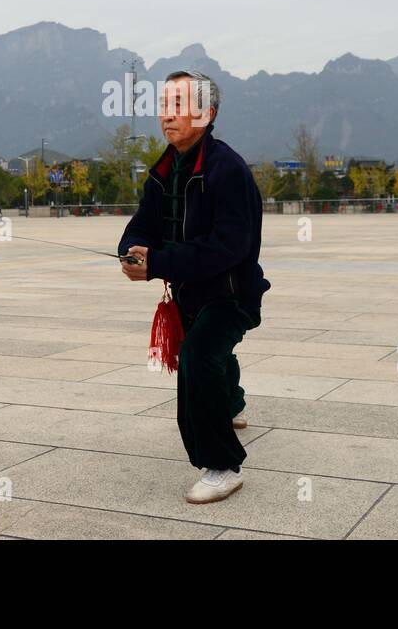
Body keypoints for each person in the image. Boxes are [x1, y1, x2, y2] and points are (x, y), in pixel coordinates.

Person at [117, 69, 270, 504]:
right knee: (211, 355)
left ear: (208, 113)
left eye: (180, 106)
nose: (168, 115)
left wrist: (159, 262)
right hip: (189, 293)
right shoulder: (164, 169)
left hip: (231, 293)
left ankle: (222, 466)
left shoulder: (227, 169)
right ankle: (234, 402)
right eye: (165, 105)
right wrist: (131, 250)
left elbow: (227, 248)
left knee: (200, 357)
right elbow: (142, 223)